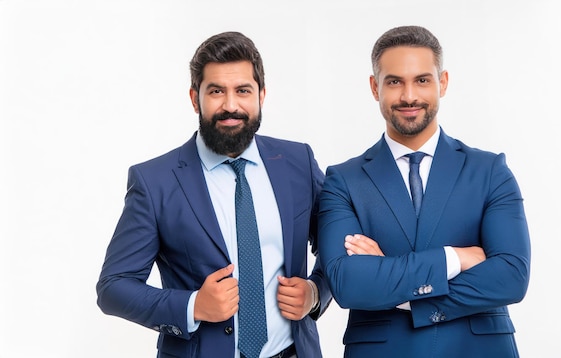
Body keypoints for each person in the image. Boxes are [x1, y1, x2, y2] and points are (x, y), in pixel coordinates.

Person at [96, 31, 331, 358]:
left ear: (261, 95)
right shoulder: (155, 181)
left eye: (243, 91)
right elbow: (113, 287)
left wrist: (315, 291)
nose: (230, 105)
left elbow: (338, 247)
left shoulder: (298, 162)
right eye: (216, 91)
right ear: (195, 98)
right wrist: (193, 306)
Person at [317, 25, 531, 357]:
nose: (409, 96)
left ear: (442, 82)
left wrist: (393, 283)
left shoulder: (490, 171)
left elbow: (511, 277)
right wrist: (455, 257)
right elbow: (348, 283)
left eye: (422, 80)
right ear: (375, 88)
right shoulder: (343, 181)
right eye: (394, 82)